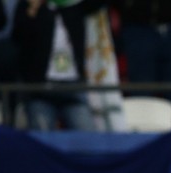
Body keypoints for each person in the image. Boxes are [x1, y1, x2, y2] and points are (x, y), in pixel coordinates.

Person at [12, 0, 105, 131]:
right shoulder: (28, 4)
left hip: (73, 87)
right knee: (42, 140)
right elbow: (17, 38)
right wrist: (32, 10)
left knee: (87, 137)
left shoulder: (74, 5)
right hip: (40, 89)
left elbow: (98, 4)